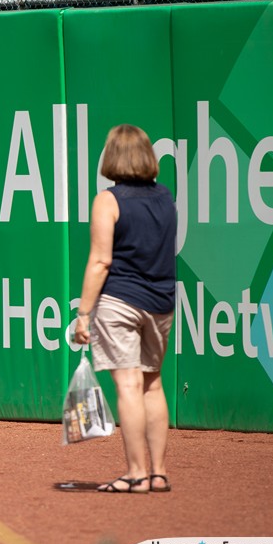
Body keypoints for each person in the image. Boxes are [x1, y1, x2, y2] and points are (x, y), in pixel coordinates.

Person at [74, 124, 176, 494]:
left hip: (120, 301)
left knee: (129, 385)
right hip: (161, 303)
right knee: (153, 384)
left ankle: (135, 473)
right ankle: (159, 472)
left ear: (111, 158)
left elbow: (100, 262)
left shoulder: (108, 200)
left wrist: (84, 314)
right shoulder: (166, 198)